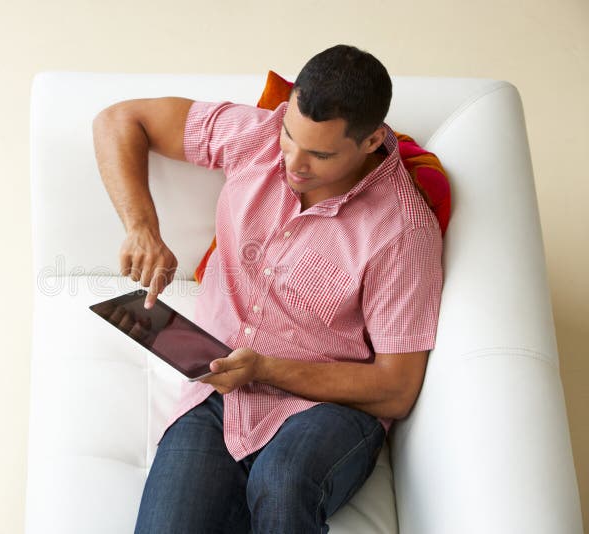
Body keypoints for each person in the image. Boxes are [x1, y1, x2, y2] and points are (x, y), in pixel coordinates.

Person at [92, 44, 444, 533]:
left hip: (332, 408)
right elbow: (118, 120)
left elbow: (396, 388)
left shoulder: (402, 231)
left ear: (370, 142)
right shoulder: (257, 135)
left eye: (320, 153)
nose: (293, 163)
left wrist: (265, 369)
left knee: (282, 483)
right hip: (218, 391)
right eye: (289, 136)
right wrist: (142, 227)